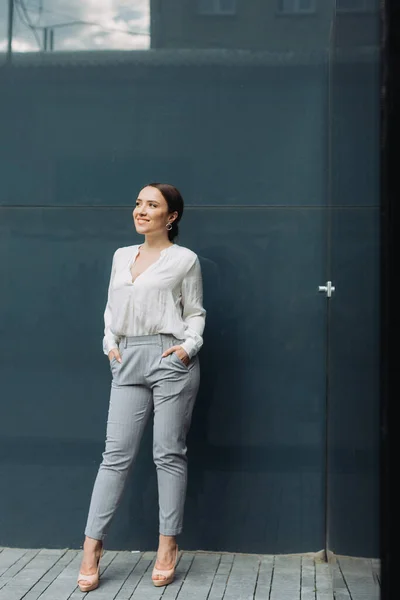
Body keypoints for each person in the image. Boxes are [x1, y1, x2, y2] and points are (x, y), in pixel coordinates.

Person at [77, 183, 206, 592]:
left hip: (170, 357)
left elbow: (196, 311)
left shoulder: (184, 259)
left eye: (152, 205)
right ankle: (91, 548)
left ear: (171, 217)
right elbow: (112, 309)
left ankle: (168, 546)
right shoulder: (120, 256)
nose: (141, 210)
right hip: (128, 359)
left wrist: (187, 348)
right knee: (114, 457)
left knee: (167, 454)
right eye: (138, 203)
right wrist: (110, 345)